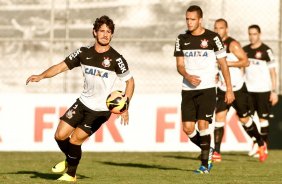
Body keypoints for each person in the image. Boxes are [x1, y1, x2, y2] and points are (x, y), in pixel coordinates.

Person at [26, 15, 135, 182]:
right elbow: (61, 66)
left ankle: (71, 174)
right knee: (59, 136)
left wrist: (126, 104)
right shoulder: (83, 53)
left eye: (109, 32)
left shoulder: (117, 59)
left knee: (75, 140)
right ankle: (69, 159)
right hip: (82, 103)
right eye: (102, 31)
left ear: (112, 35)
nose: (105, 34)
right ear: (94, 32)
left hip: (100, 111)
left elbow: (130, 81)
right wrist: (41, 76)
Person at [174, 5, 235, 174]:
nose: (189, 22)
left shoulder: (213, 38)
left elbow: (223, 64)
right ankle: (208, 149)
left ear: (200, 20)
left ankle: (204, 164)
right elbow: (179, 65)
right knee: (187, 128)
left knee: (203, 124)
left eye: (192, 19)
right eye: (187, 19)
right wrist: (187, 76)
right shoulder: (181, 38)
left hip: (207, 88)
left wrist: (229, 89)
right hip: (187, 89)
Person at [212, 19, 267, 162]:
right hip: (223, 88)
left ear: (227, 30)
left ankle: (261, 143)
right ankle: (216, 152)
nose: (218, 30)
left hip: (238, 88)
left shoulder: (232, 44)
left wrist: (228, 63)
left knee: (244, 119)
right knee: (219, 118)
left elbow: (246, 61)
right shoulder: (213, 45)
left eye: (221, 28)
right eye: (216, 28)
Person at [243, 24, 278, 157]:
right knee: (248, 118)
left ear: (259, 34)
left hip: (263, 90)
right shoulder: (245, 50)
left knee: (263, 118)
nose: (252, 37)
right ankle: (256, 143)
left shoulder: (266, 51)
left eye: (254, 34)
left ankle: (264, 145)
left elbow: (273, 72)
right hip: (248, 89)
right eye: (250, 34)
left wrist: (274, 91)